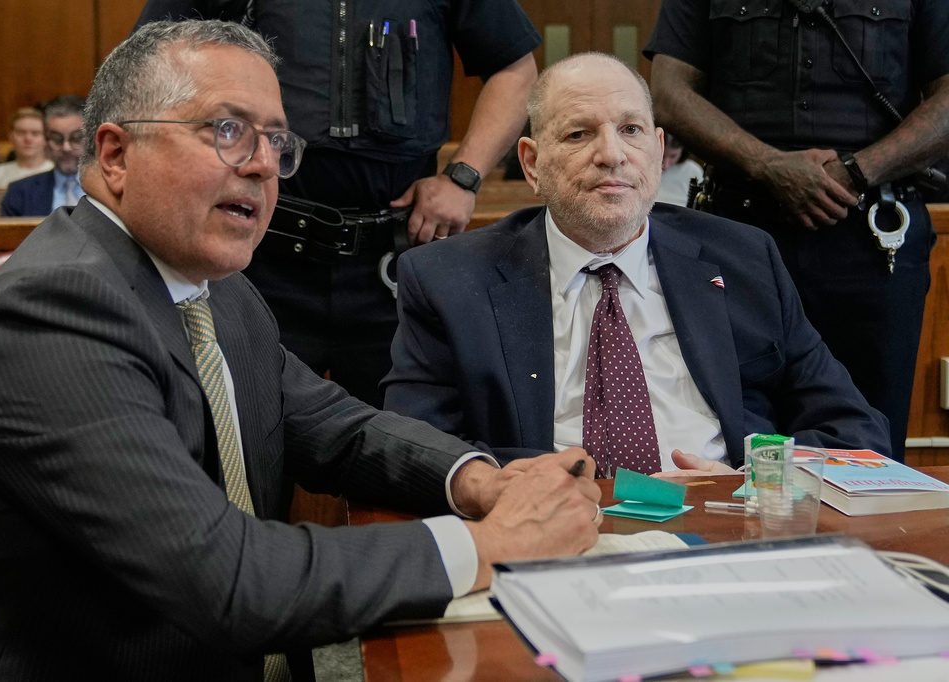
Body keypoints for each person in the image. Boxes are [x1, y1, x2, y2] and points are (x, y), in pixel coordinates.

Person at [0, 21, 601, 681]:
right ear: (115, 155)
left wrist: (479, 479)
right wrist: (489, 544)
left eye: (277, 142)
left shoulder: (216, 288)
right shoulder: (51, 311)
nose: (263, 165)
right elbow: (229, 579)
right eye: (227, 130)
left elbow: (338, 428)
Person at [381, 53, 891, 476]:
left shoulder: (744, 259)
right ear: (533, 164)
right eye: (578, 134)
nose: (612, 154)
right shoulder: (449, 281)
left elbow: (856, 431)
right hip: (550, 528)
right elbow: (415, 448)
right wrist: (529, 487)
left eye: (631, 130)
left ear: (659, 149)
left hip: (726, 521)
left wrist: (751, 480)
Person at [135, 0, 541, 408]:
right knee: (254, 432)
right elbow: (149, 61)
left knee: (401, 437)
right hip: (257, 264)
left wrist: (463, 178)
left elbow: (515, 70)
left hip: (395, 269)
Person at [643, 1, 949, 461]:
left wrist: (855, 172)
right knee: (735, 434)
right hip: (737, 236)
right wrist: (768, 165)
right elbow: (668, 92)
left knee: (872, 443)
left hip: (874, 238)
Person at [0, 95, 86, 216]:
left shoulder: (110, 188)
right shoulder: (20, 192)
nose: (66, 148)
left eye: (76, 138)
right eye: (57, 139)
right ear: (46, 139)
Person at [0, 107, 54, 189]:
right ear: (11, 137)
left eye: (35, 133)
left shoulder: (58, 174)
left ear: (46, 138)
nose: (28, 139)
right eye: (21, 133)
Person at [655, 132, 703, 207]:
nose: (665, 165)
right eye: (661, 155)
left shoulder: (693, 171)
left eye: (673, 156)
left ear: (682, 151)